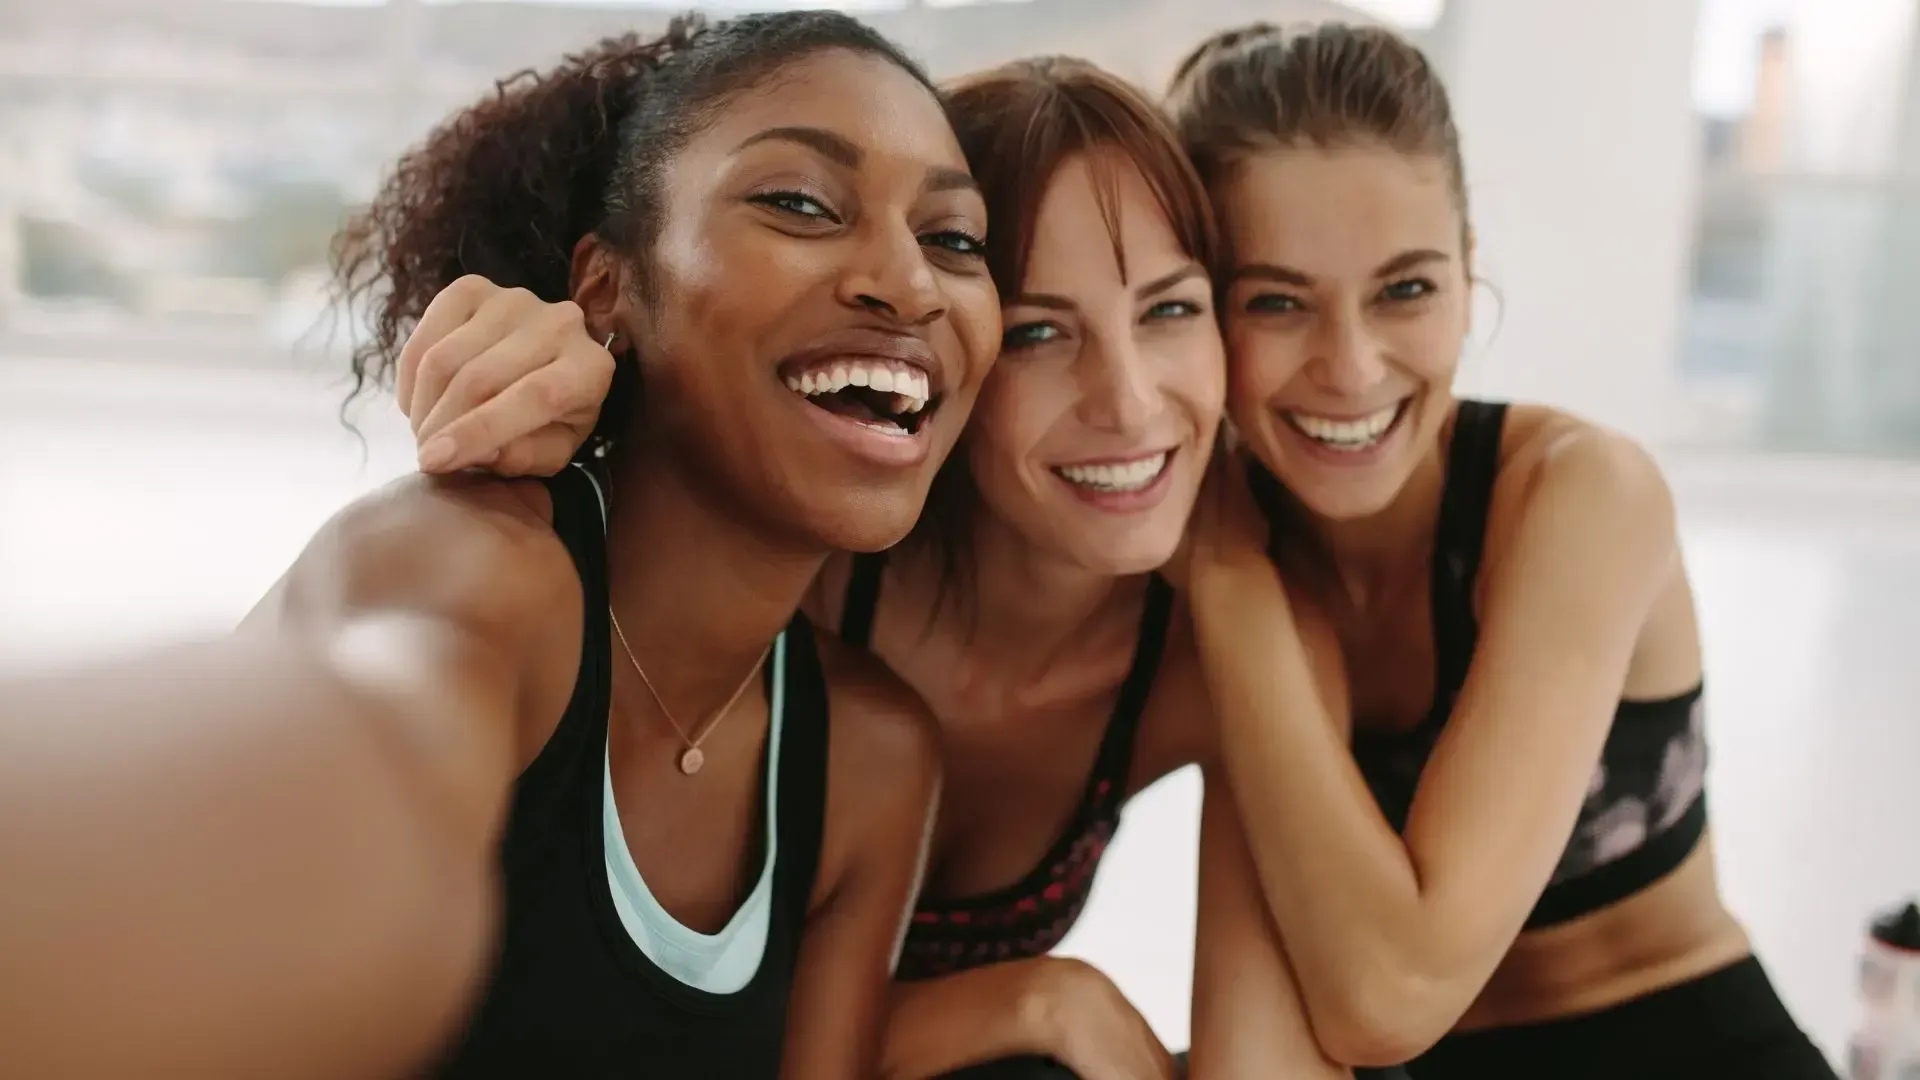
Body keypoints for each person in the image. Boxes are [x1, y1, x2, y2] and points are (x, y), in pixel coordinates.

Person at [0, 12, 998, 1079]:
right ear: (608, 293)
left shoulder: (871, 759)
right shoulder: (473, 567)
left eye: (955, 239)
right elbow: (338, 765)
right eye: (799, 203)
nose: (911, 282)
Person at [379, 53, 1353, 1080]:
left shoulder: (1175, 657)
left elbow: (1344, 1025)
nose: (1128, 401)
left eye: (1170, 310)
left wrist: (1242, 578)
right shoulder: (794, 561)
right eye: (1038, 330)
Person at [1164, 22, 1838, 1080]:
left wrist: (1225, 579)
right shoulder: (1215, 539)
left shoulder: (1580, 495)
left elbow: (1389, 999)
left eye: (1406, 289)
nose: (1350, 367)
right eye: (1278, 301)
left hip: (1681, 1042)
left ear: (1470, 273)